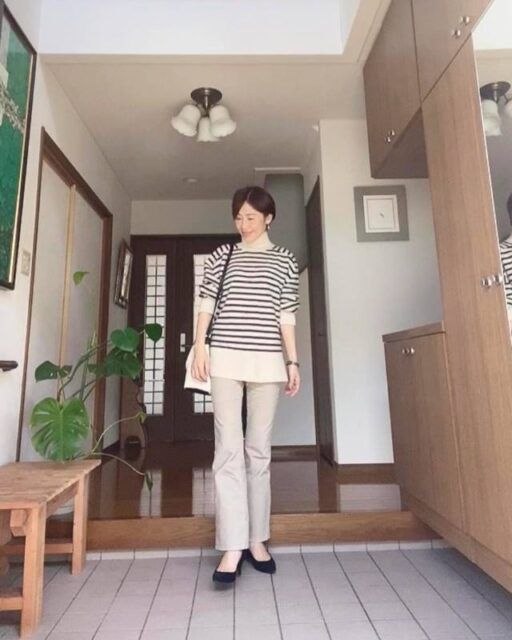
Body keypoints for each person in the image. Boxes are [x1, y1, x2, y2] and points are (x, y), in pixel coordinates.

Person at [192, 185, 301, 584]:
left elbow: (286, 315)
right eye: (238, 217)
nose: (244, 224)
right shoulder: (223, 255)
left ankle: (257, 539)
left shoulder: (285, 260)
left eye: (251, 217)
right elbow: (206, 304)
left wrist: (293, 361)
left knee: (258, 451)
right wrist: (200, 347)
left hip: (268, 363)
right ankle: (232, 545)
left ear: (269, 218)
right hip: (224, 358)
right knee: (227, 450)